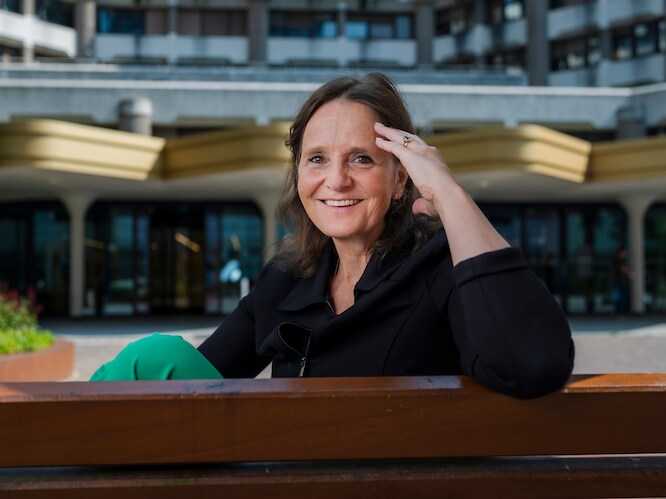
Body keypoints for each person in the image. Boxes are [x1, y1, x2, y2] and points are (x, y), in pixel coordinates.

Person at [94, 73, 574, 399]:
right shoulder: (285, 280)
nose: (337, 181)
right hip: (293, 476)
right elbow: (189, 388)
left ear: (401, 179)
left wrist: (449, 194)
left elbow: (532, 365)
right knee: (154, 358)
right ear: (300, 173)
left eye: (361, 159)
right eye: (318, 159)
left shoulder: (441, 268)